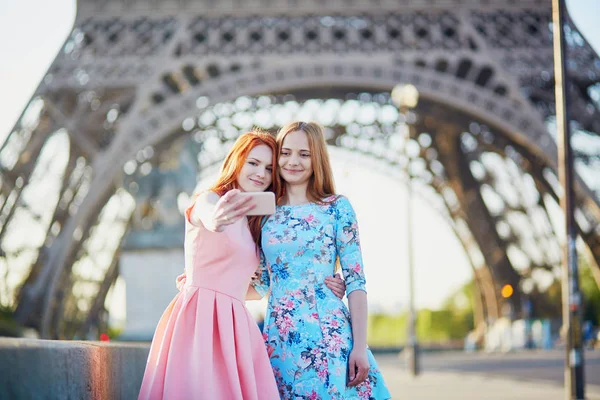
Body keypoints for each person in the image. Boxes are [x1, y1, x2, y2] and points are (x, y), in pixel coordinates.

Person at [248, 121, 391, 399]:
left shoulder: (337, 207)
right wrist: (203, 283)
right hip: (281, 341)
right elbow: (263, 284)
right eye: (286, 153)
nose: (292, 161)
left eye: (304, 154)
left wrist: (359, 346)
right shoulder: (264, 211)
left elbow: (356, 281)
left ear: (318, 158)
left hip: (330, 335)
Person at [138, 131, 282, 400]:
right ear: (236, 161)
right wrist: (217, 219)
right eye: (253, 163)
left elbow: (252, 288)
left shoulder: (254, 226)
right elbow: (209, 216)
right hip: (200, 321)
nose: (261, 173)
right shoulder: (209, 199)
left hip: (236, 326)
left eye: (269, 169)